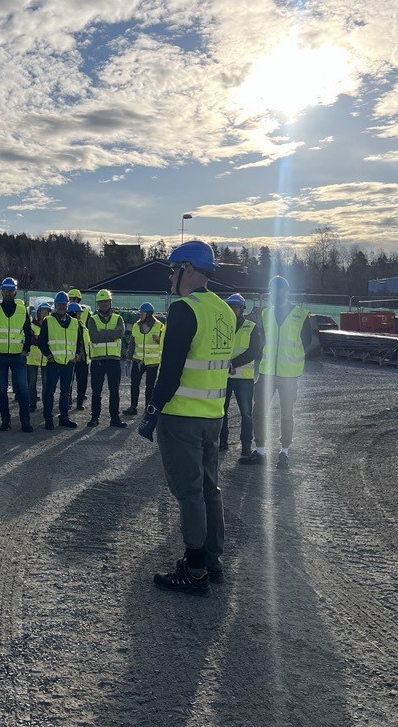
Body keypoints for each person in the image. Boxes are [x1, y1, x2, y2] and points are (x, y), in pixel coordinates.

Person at [138, 240, 235, 595]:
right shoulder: (224, 310)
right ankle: (211, 560)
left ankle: (194, 571)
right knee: (210, 489)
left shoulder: (183, 309)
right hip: (213, 415)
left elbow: (171, 371)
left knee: (189, 493)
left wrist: (151, 412)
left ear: (188, 270)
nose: (170, 276)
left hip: (181, 417)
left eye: (173, 268)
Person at [245, 276, 313, 469]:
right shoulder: (266, 314)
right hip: (267, 373)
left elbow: (307, 342)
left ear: (285, 291)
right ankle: (260, 451)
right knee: (259, 411)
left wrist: (291, 359)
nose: (273, 295)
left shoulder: (301, 314)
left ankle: (284, 453)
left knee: (286, 413)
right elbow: (264, 340)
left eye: (277, 290)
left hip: (289, 374)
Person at [0, 277, 33, 432]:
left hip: (18, 356)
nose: (7, 293)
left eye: (10, 290)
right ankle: (5, 421)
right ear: (1, 292)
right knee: (2, 390)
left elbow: (28, 332)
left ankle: (25, 421)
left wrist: (26, 350)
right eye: (5, 290)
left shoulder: (22, 310)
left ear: (15, 292)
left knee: (23, 389)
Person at [223, 294, 263, 461]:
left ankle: (246, 446)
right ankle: (221, 442)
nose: (232, 310)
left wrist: (235, 364)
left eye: (236, 307)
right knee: (220, 411)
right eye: (230, 306)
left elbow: (255, 351)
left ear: (242, 308)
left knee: (246, 413)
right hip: (223, 376)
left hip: (243, 378)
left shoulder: (251, 327)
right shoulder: (223, 325)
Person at [38, 292, 81, 431]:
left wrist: (77, 355)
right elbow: (42, 341)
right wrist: (49, 356)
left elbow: (79, 341)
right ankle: (48, 419)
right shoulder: (48, 321)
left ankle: (64, 417)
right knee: (49, 391)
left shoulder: (74, 322)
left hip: (68, 363)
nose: (62, 306)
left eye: (64, 304)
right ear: (55, 305)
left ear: (68, 305)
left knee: (65, 392)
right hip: (53, 363)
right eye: (59, 304)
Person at [85, 289, 127, 428]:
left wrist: (103, 333)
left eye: (105, 301)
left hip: (114, 360)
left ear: (110, 302)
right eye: (101, 302)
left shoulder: (118, 318)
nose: (103, 304)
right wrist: (111, 333)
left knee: (114, 391)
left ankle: (115, 418)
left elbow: (120, 333)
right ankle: (94, 417)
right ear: (98, 303)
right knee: (96, 391)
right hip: (98, 360)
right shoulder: (92, 319)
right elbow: (93, 337)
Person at [124, 302, 165, 416]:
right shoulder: (136, 326)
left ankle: (148, 407)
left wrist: (158, 340)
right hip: (138, 360)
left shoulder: (159, 326)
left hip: (153, 362)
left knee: (150, 385)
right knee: (134, 383)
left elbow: (165, 343)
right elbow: (132, 343)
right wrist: (128, 358)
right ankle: (133, 407)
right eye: (140, 313)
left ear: (149, 314)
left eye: (142, 313)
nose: (140, 315)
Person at [26, 302, 51, 413]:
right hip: (32, 358)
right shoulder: (32, 325)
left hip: (45, 358)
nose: (45, 314)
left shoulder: (51, 325)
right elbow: (30, 339)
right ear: (39, 313)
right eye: (43, 311)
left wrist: (38, 339)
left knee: (46, 382)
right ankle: (32, 403)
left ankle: (46, 403)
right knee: (32, 382)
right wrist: (40, 340)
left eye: (47, 311)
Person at [67, 288, 90, 409]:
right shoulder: (66, 324)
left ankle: (79, 402)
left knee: (82, 381)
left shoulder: (83, 320)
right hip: (71, 356)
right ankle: (68, 401)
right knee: (69, 382)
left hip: (82, 357)